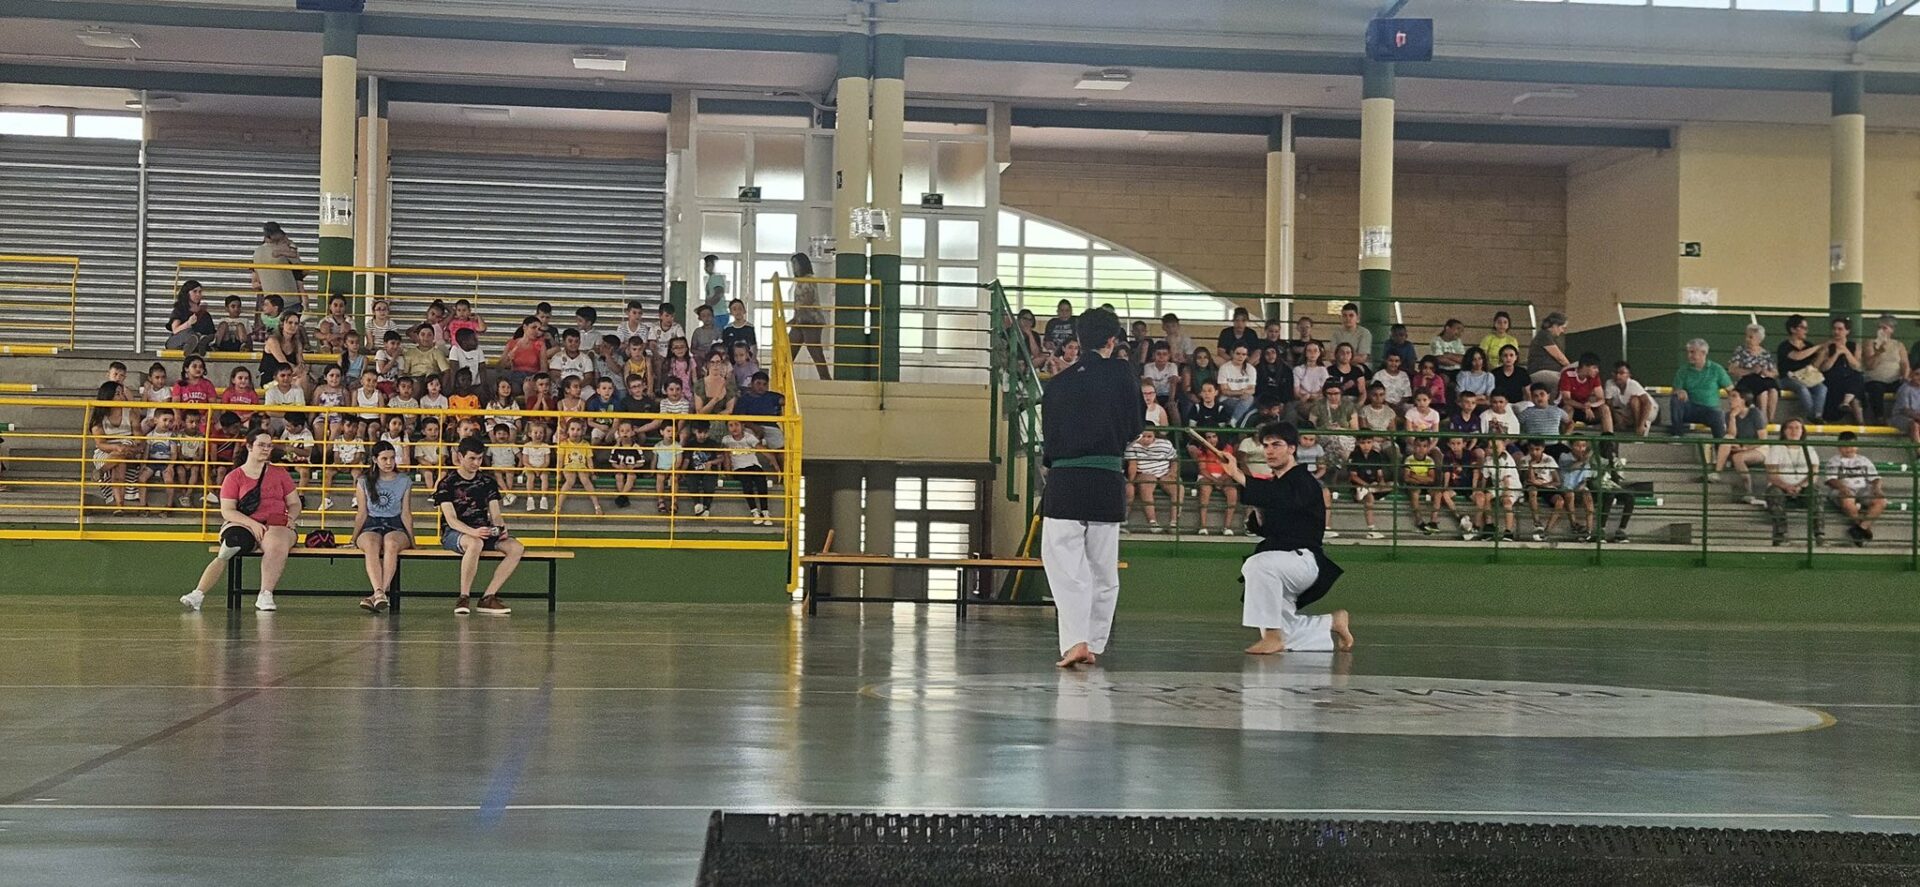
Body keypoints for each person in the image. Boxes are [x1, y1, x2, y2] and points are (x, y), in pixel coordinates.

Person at [1194, 421, 1354, 655]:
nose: (1269, 450)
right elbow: (1268, 520)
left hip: (1303, 561)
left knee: (1257, 565)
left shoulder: (1304, 481)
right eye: (1266, 445)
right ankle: (1332, 622)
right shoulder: (1276, 485)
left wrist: (1237, 473)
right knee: (1287, 634)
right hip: (1281, 563)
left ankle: (1271, 635)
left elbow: (1280, 497)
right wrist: (1258, 510)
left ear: (1292, 448)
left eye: (1277, 445)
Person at [1039, 308, 1142, 669]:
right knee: (1102, 570)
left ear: (1078, 341)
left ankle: (1076, 641)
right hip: (1106, 480)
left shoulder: (1058, 385)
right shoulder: (1121, 373)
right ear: (1112, 341)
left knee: (1066, 568)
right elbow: (1135, 424)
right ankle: (1094, 642)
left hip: (1065, 482)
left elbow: (1047, 440)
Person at [180, 428, 300, 612]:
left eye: (269, 446)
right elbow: (228, 511)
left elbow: (294, 503)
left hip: (275, 524)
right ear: (249, 446)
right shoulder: (234, 476)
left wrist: (290, 517)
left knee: (276, 544)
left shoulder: (280, 473)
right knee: (229, 546)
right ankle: (198, 593)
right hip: (245, 522)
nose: (266, 449)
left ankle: (265, 593)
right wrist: (252, 524)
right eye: (261, 445)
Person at [434, 436, 523, 615]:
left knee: (516, 547)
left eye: (480, 458)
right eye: (472, 458)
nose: (476, 463)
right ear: (460, 457)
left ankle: (488, 597)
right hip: (455, 532)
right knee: (475, 543)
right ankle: (464, 596)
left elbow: (496, 513)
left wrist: (501, 529)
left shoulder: (487, 482)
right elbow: (450, 519)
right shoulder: (446, 483)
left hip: (482, 530)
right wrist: (473, 532)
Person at [350, 439, 413, 613]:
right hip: (371, 524)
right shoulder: (363, 481)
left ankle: (378, 594)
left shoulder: (404, 480)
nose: (389, 462)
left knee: (391, 543)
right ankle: (379, 592)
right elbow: (362, 512)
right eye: (384, 458)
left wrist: (412, 540)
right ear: (375, 460)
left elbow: (406, 513)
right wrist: (353, 538)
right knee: (371, 545)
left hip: (395, 524)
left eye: (392, 458)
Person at [1763, 417, 1821, 547]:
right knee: (1774, 493)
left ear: (1802, 431)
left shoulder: (1809, 449)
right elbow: (1772, 474)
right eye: (1790, 427)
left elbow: (1814, 473)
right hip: (1780, 486)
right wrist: (1787, 486)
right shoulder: (1776, 448)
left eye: (1797, 428)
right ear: (1784, 431)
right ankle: (1781, 536)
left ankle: (1820, 535)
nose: (1794, 431)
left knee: (1815, 492)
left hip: (1803, 488)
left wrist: (1800, 486)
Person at [1826, 431, 1886, 545]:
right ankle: (1863, 528)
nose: (1849, 449)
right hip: (1843, 488)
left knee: (1881, 501)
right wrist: (1842, 487)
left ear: (1857, 446)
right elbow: (1831, 479)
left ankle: (1860, 529)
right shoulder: (1834, 460)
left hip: (1862, 488)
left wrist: (1877, 489)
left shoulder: (1863, 460)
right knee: (1847, 500)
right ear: (1839, 447)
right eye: (1845, 446)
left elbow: (1875, 478)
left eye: (1852, 446)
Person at [1670, 338, 1733, 437]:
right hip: (1690, 409)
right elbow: (1675, 391)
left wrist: (1735, 408)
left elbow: (1731, 391)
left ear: (1703, 353)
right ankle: (1677, 435)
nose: (1689, 355)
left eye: (1692, 352)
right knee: (1675, 399)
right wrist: (1679, 391)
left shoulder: (1716, 369)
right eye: (1689, 352)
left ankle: (1720, 448)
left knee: (1718, 415)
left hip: (1710, 410)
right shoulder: (1683, 370)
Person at [1123, 429, 1179, 533]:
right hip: (1144, 473)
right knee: (1147, 484)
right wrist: (1131, 481)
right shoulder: (1132, 445)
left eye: (1149, 436)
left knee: (1178, 489)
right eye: (1143, 436)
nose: (1146, 439)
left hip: (1164, 473)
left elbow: (1175, 460)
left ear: (1155, 436)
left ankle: (1173, 523)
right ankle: (1153, 522)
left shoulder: (1165, 444)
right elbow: (1132, 465)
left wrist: (1172, 473)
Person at [1776, 314, 1828, 423]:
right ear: (1793, 329)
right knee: (1802, 389)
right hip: (1788, 378)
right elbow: (1797, 356)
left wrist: (1822, 354)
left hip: (1806, 377)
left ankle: (1818, 414)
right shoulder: (1784, 346)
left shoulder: (1808, 345)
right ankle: (1812, 416)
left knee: (1822, 388)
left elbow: (1814, 366)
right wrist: (1818, 346)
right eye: (1803, 328)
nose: (1806, 331)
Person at [786, 253, 831, 380]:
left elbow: (808, 299)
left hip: (811, 321)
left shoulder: (808, 279)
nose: (794, 267)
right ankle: (784, 377)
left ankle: (825, 378)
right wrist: (795, 318)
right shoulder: (800, 281)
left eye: (796, 264)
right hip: (800, 321)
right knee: (790, 350)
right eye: (793, 264)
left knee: (815, 351)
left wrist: (798, 315)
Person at [1727, 322, 1780, 425]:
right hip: (1748, 380)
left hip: (1764, 378)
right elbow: (1732, 369)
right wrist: (1750, 371)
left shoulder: (1765, 353)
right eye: (1747, 336)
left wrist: (1766, 372)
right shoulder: (1741, 351)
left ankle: (1771, 418)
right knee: (1763, 392)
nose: (1747, 339)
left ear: (1759, 339)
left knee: (1773, 390)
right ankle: (1763, 418)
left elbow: (1774, 372)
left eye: (1751, 337)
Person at [1862, 315, 1909, 425]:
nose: (1881, 330)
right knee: (1876, 388)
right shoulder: (1869, 343)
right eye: (1879, 328)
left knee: (1906, 388)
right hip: (1875, 379)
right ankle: (1879, 417)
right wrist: (1879, 352)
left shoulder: (1898, 345)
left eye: (1885, 328)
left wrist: (1905, 376)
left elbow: (1904, 363)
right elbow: (1869, 365)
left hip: (1895, 379)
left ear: (1891, 330)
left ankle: (1903, 416)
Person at [1819, 316, 1866, 424]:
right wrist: (1836, 353)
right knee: (1854, 391)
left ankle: (1847, 403)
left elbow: (1857, 366)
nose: (1836, 332)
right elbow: (1825, 368)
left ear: (1847, 331)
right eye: (1834, 329)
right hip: (1832, 379)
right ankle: (1858, 419)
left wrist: (1845, 351)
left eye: (1840, 329)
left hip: (1850, 378)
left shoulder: (1854, 346)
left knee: (1857, 378)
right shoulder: (1827, 346)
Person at [251, 221, 304, 316]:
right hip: (289, 299)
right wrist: (290, 243)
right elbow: (302, 269)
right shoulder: (284, 248)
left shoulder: (256, 252)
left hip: (270, 302)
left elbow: (258, 279)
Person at [1558, 353, 1610, 432]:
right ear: (1584, 366)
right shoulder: (1568, 375)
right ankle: (1564, 439)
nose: (1597, 371)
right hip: (1570, 408)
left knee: (1605, 408)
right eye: (1594, 368)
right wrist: (1584, 407)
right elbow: (1566, 400)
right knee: (1568, 408)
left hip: (1586, 410)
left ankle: (1608, 439)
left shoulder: (1595, 377)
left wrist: (1590, 405)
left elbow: (1601, 399)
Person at [1605, 360, 1658, 436]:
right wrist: (1617, 418)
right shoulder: (1609, 383)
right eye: (1615, 373)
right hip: (1628, 411)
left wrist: (1641, 424)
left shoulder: (1633, 384)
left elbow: (1647, 403)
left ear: (1629, 375)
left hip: (1649, 411)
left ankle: (1639, 428)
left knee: (1634, 400)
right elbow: (1608, 404)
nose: (1618, 376)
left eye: (1622, 373)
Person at [165, 279, 216, 355]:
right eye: (195, 291)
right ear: (187, 293)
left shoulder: (205, 315)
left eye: (200, 292)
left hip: (197, 342)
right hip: (177, 342)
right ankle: (196, 341)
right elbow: (175, 330)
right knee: (190, 333)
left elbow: (211, 333)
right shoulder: (180, 310)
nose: (198, 295)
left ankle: (195, 345)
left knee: (204, 336)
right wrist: (188, 323)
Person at [1527, 312, 1572, 388]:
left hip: (1553, 371)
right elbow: (1560, 358)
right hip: (1542, 371)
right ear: (1555, 326)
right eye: (1562, 328)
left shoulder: (1551, 338)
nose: (1563, 331)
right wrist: (1571, 368)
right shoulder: (1544, 335)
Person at [1892, 366, 1920, 443]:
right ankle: (1918, 451)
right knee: (1914, 425)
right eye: (1917, 374)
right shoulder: (1904, 389)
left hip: (1917, 418)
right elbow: (1905, 411)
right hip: (1901, 417)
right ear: (1911, 374)